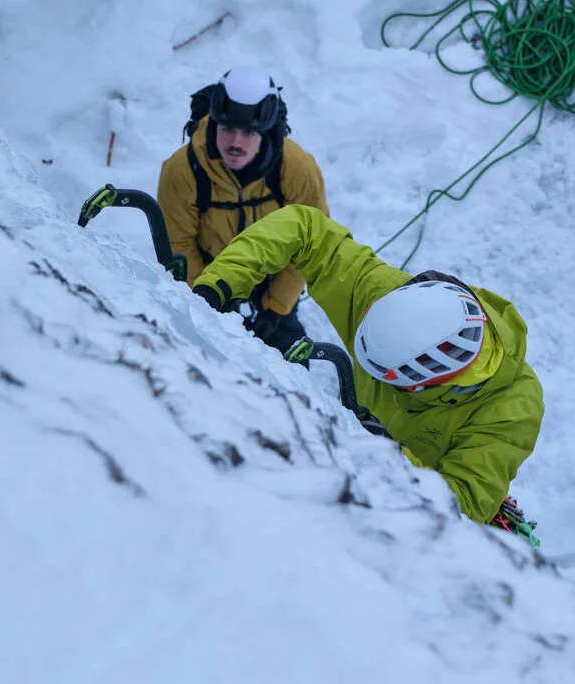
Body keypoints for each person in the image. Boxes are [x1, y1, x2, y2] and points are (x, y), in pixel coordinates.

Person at [191, 205, 545, 526]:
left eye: (387, 378)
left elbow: (465, 505)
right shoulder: (386, 295)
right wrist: (219, 283)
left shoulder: (512, 406)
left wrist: (388, 454)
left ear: (422, 381)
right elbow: (305, 228)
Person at [158, 66, 329, 353]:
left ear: (267, 131)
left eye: (249, 132)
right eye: (227, 129)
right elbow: (179, 244)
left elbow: (311, 242)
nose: (236, 143)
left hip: (273, 274)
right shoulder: (182, 170)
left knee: (290, 362)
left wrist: (276, 307)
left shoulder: (297, 169)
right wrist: (206, 300)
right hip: (209, 271)